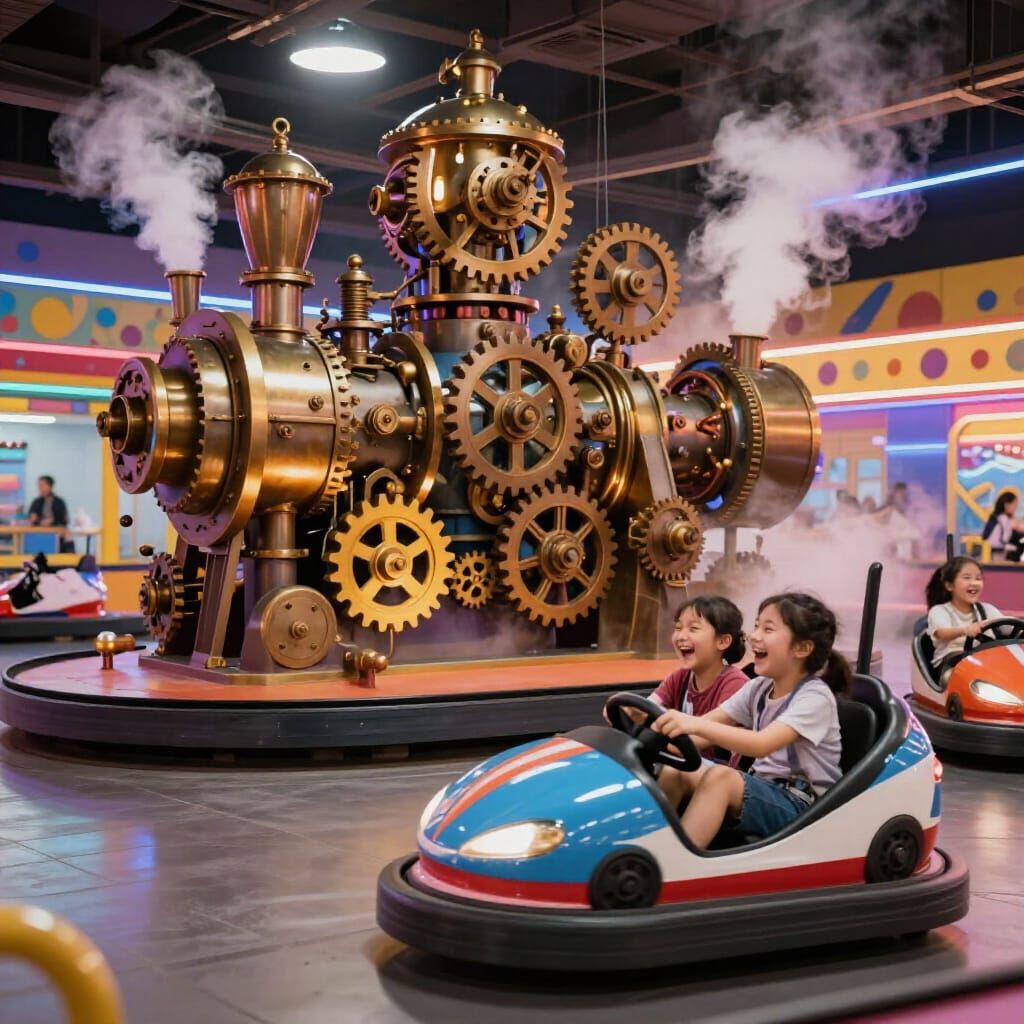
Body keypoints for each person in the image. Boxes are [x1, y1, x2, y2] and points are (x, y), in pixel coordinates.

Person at [651, 592, 847, 850]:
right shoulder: (759, 688)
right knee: (677, 770)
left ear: (802, 648)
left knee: (721, 778)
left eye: (768, 629)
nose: (754, 636)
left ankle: (677, 864)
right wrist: (660, 736)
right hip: (764, 789)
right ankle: (648, 848)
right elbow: (701, 733)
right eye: (756, 626)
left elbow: (761, 744)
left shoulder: (815, 698)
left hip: (803, 805)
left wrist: (692, 723)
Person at [926, 556, 1003, 670]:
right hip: (952, 664)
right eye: (967, 578)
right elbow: (941, 633)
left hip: (985, 662)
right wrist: (965, 630)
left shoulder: (987, 610)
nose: (974, 583)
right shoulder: (939, 611)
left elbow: (1009, 626)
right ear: (949, 585)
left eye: (978, 578)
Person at [27, 475, 73, 553]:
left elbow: (64, 520)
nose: (40, 488)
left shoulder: (59, 502)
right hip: (39, 531)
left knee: (67, 535)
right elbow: (31, 517)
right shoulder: (36, 502)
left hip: (55, 531)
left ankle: (69, 559)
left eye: (42, 485)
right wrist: (33, 519)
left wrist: (51, 521)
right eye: (39, 486)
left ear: (50, 486)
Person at [981, 491, 1024, 563]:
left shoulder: (998, 517)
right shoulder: (1003, 518)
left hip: (1001, 551)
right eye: (1015, 505)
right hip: (1002, 553)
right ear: (1007, 505)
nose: (1016, 508)